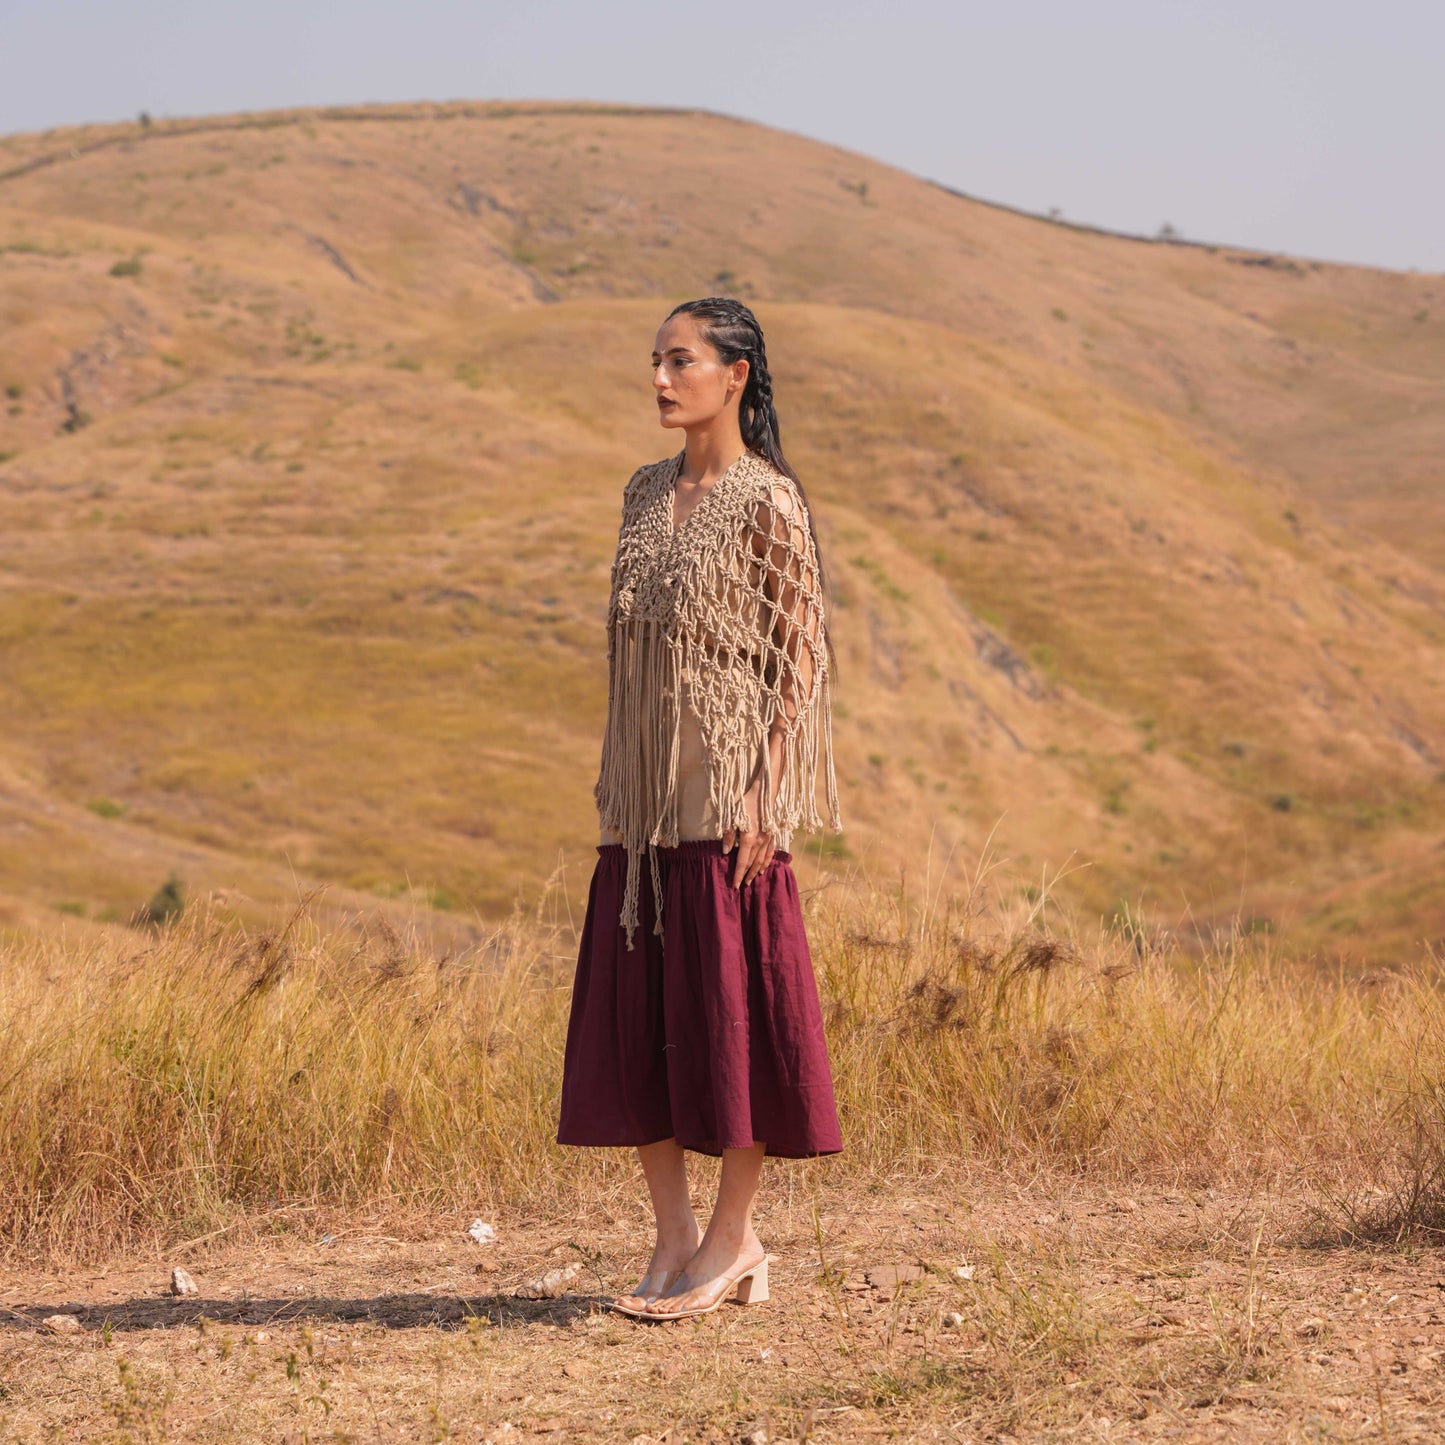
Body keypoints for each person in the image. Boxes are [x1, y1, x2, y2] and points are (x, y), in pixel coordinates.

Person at [555, 296, 844, 1321]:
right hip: (635, 801)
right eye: (654, 361)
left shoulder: (768, 501)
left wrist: (770, 784)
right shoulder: (641, 493)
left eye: (681, 361)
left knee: (731, 1023)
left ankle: (732, 1236)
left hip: (723, 798)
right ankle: (674, 1233)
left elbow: (800, 653)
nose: (660, 379)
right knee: (643, 1022)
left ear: (736, 374)